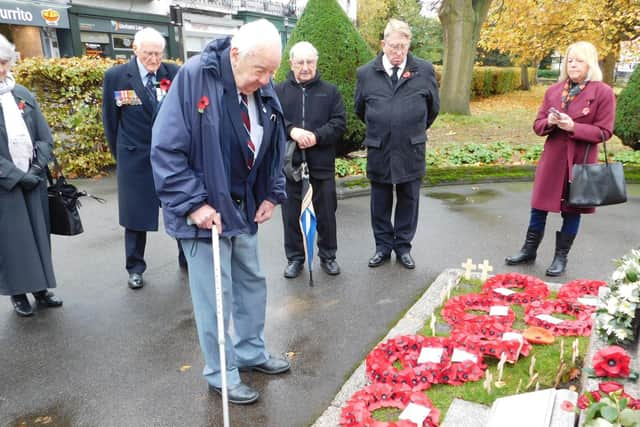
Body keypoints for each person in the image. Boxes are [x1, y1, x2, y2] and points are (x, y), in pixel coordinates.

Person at [150, 19, 290, 405]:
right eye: (260, 70)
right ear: (235, 55)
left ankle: (250, 352)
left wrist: (271, 193)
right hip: (204, 212)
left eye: (271, 71)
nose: (266, 80)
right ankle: (222, 373)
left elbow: (273, 141)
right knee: (216, 296)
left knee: (252, 283)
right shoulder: (195, 78)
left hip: (244, 205)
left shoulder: (261, 80)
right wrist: (194, 204)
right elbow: (165, 149)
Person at [505, 41, 615, 276]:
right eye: (570, 60)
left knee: (573, 209)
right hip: (553, 158)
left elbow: (604, 132)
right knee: (538, 207)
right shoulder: (554, 91)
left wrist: (574, 126)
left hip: (580, 161)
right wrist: (550, 123)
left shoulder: (603, 92)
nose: (573, 64)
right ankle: (528, 250)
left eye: (579, 60)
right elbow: (537, 125)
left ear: (590, 64)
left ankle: (560, 258)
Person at [355, 19, 440, 270]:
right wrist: (385, 125)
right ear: (383, 44)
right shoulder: (366, 73)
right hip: (379, 146)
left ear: (408, 45)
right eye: (393, 47)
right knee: (379, 199)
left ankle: (403, 246)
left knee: (409, 198)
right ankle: (382, 247)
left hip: (411, 146)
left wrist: (410, 128)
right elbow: (360, 109)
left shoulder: (423, 70)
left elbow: (433, 109)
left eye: (403, 47)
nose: (398, 52)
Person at [102, 27, 181, 290]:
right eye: (148, 54)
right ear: (135, 50)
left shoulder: (173, 74)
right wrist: (121, 155)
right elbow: (111, 122)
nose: (154, 60)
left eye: (158, 54)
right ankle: (135, 268)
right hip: (134, 158)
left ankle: (187, 258)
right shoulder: (116, 77)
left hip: (169, 158)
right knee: (135, 218)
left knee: (181, 208)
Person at [0, 35, 63, 316]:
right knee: (12, 241)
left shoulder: (22, 93)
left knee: (38, 237)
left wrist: (38, 167)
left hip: (33, 179)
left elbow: (43, 135)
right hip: (6, 186)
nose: (1, 69)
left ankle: (40, 288)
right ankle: (18, 294)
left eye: (3, 63)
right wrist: (14, 174)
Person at [275, 41, 346, 279]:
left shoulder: (330, 91)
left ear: (316, 63)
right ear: (291, 64)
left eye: (310, 62)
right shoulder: (279, 91)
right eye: (300, 62)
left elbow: (339, 123)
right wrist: (292, 131)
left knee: (326, 212)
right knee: (291, 213)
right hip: (291, 164)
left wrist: (316, 137)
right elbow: (272, 121)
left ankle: (328, 255)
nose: (305, 67)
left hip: (321, 163)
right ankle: (295, 258)